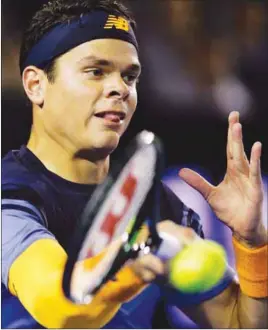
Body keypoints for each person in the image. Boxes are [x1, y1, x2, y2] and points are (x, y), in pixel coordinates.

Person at [1, 0, 267, 328]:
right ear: (35, 84)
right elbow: (63, 310)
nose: (120, 89)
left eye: (130, 76)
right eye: (96, 71)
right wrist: (137, 250)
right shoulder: (9, 198)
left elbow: (241, 323)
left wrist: (252, 243)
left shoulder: (159, 206)